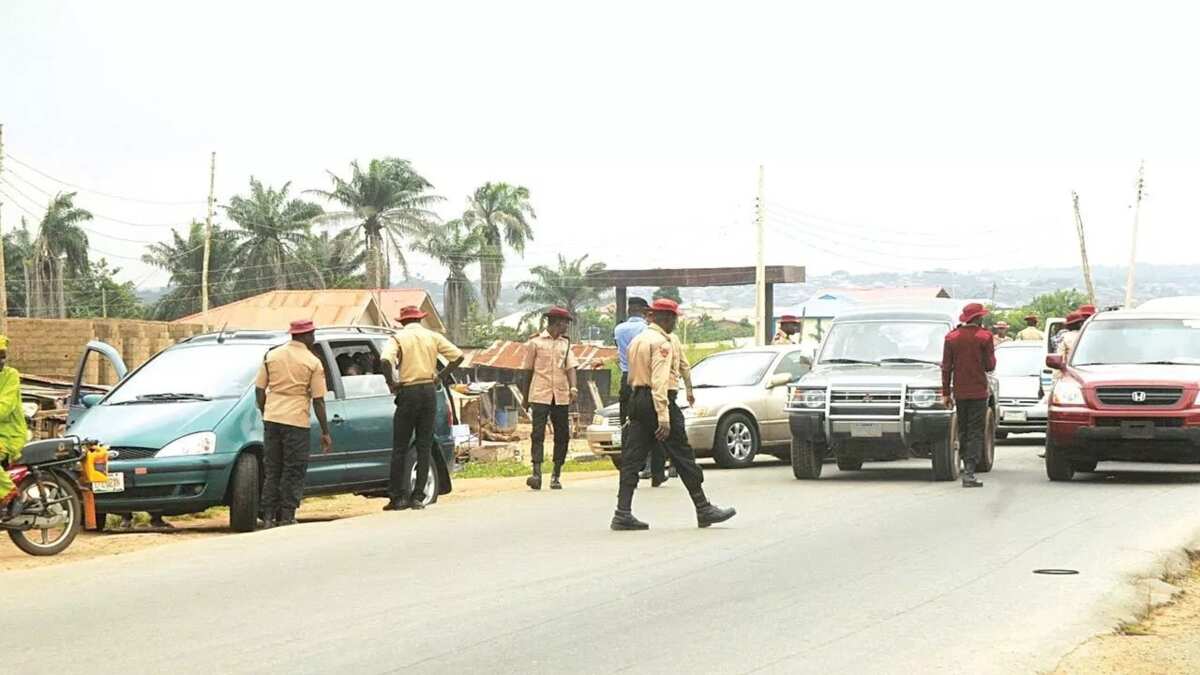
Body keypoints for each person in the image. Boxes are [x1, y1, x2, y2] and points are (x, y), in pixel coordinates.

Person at [612, 298, 736, 531]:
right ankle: (703, 507)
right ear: (666, 318)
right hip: (658, 401)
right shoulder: (662, 343)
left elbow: (630, 375)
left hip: (636, 398)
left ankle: (622, 512)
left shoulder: (639, 340)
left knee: (632, 456)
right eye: (675, 318)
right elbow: (659, 381)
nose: (676, 323)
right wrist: (664, 416)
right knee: (682, 454)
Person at [380, 306, 463, 511]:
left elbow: (384, 359)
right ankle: (418, 496)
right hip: (428, 391)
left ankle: (397, 497)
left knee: (400, 447)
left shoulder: (398, 338)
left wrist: (391, 381)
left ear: (402, 322)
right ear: (420, 319)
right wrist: (440, 377)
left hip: (408, 392)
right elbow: (458, 356)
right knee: (424, 445)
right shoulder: (432, 336)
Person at [255, 320, 333, 528]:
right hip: (296, 421)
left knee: (273, 468)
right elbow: (318, 400)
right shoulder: (312, 362)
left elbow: (259, 390)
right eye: (312, 334)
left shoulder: (272, 356)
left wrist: (265, 411)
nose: (314, 338)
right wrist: (325, 431)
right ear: (306, 336)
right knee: (294, 468)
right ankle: (287, 515)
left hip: (272, 418)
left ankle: (269, 515)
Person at [520, 307, 579, 491]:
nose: (566, 327)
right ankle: (536, 473)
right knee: (537, 433)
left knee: (562, 434)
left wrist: (573, 387)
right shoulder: (535, 343)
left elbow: (571, 368)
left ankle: (556, 474)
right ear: (556, 323)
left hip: (560, 395)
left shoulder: (565, 345)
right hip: (540, 393)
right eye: (565, 323)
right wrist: (525, 397)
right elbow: (527, 370)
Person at [941, 303, 996, 489]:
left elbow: (946, 368)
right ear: (978, 318)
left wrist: (946, 393)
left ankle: (966, 466)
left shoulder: (951, 338)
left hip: (960, 391)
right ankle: (970, 471)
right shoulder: (985, 337)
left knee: (963, 430)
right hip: (979, 391)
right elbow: (990, 366)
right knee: (975, 431)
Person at [0, 336, 27, 515]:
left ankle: (13, 495)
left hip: (11, 435)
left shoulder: (11, 375)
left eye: (2, 355)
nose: (1, 360)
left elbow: (5, 407)